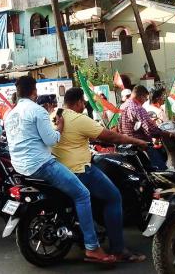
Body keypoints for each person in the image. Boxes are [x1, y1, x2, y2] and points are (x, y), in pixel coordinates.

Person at [5, 76, 115, 263]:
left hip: (20, 167)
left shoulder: (11, 114)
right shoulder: (37, 110)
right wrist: (60, 128)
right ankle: (92, 247)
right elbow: (52, 140)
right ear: (34, 92)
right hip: (41, 165)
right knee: (82, 194)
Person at [52, 87, 148, 262]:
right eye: (83, 103)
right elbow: (112, 137)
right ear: (79, 102)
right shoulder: (78, 118)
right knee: (114, 197)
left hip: (58, 170)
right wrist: (138, 141)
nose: (83, 106)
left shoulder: (54, 116)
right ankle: (118, 249)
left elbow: (79, 136)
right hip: (80, 169)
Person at [119, 85, 175, 170]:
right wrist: (169, 134)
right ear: (141, 96)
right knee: (162, 172)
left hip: (127, 146)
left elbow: (120, 127)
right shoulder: (138, 108)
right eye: (145, 99)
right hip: (141, 146)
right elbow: (150, 130)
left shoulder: (123, 106)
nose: (145, 101)